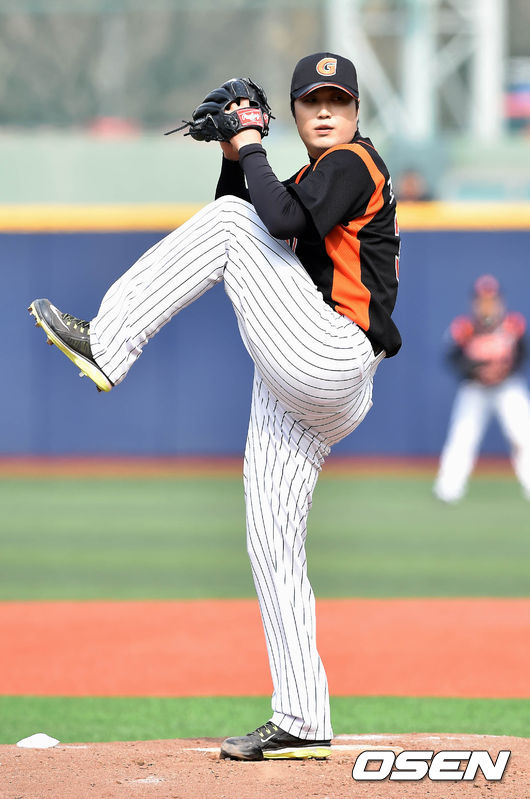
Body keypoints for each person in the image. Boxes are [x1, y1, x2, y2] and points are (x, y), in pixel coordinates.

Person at [29, 52, 401, 760]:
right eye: (312, 100)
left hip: (330, 352)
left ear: (357, 112)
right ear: (297, 111)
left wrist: (251, 140)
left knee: (232, 223)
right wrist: (235, 153)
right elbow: (260, 215)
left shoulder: (355, 162)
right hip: (312, 382)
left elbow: (263, 218)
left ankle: (108, 341)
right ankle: (302, 716)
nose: (326, 111)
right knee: (271, 539)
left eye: (339, 100)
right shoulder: (309, 180)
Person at [434, 274, 530, 503]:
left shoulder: (513, 325)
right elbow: (452, 358)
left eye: (491, 300)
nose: (487, 305)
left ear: (500, 301)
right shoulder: (465, 328)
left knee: (523, 435)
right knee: (463, 436)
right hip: (475, 388)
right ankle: (448, 489)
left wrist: (503, 370)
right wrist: (475, 370)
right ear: (474, 302)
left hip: (507, 387)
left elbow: (523, 354)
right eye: (482, 300)